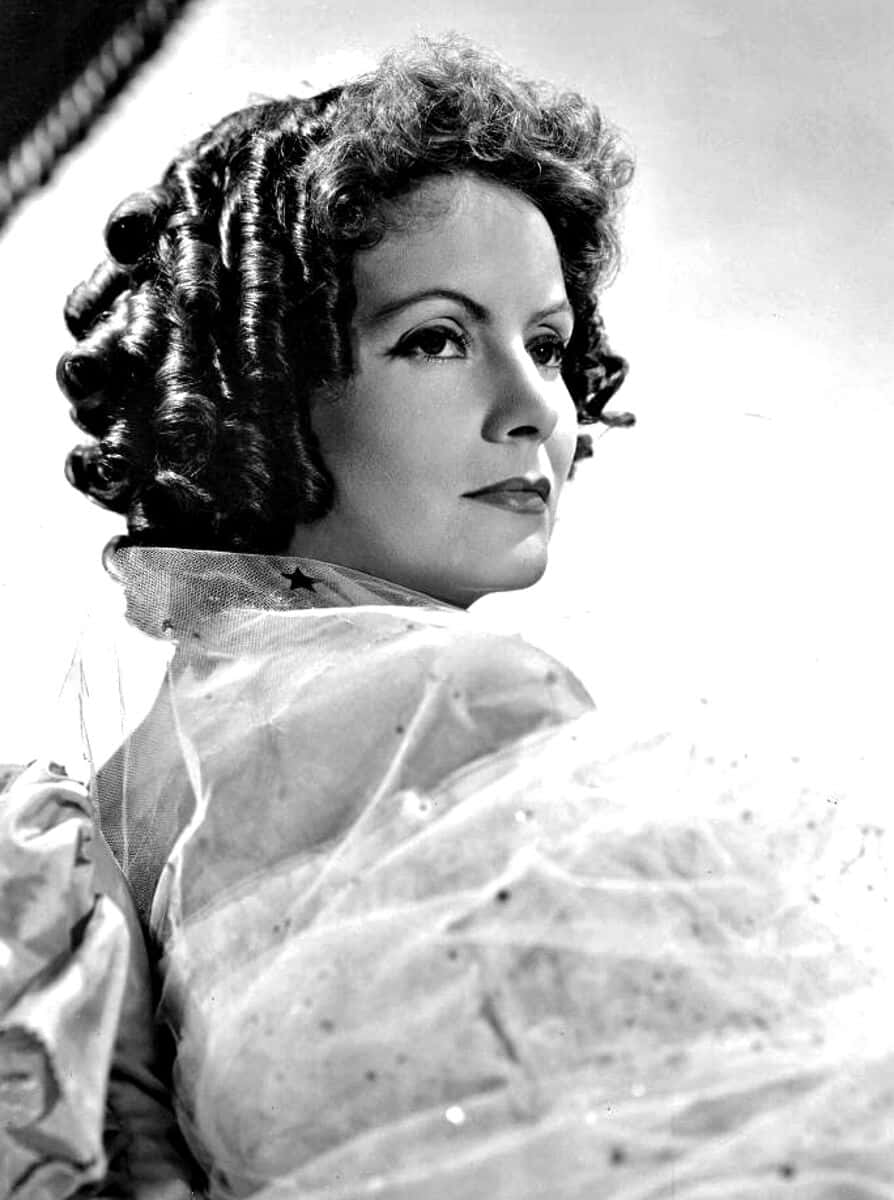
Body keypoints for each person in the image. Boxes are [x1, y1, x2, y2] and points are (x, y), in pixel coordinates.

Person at [2, 35, 891, 1200]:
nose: (534, 410)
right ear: (261, 382)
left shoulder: (95, 819)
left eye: (549, 345)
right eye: (435, 339)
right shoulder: (462, 702)